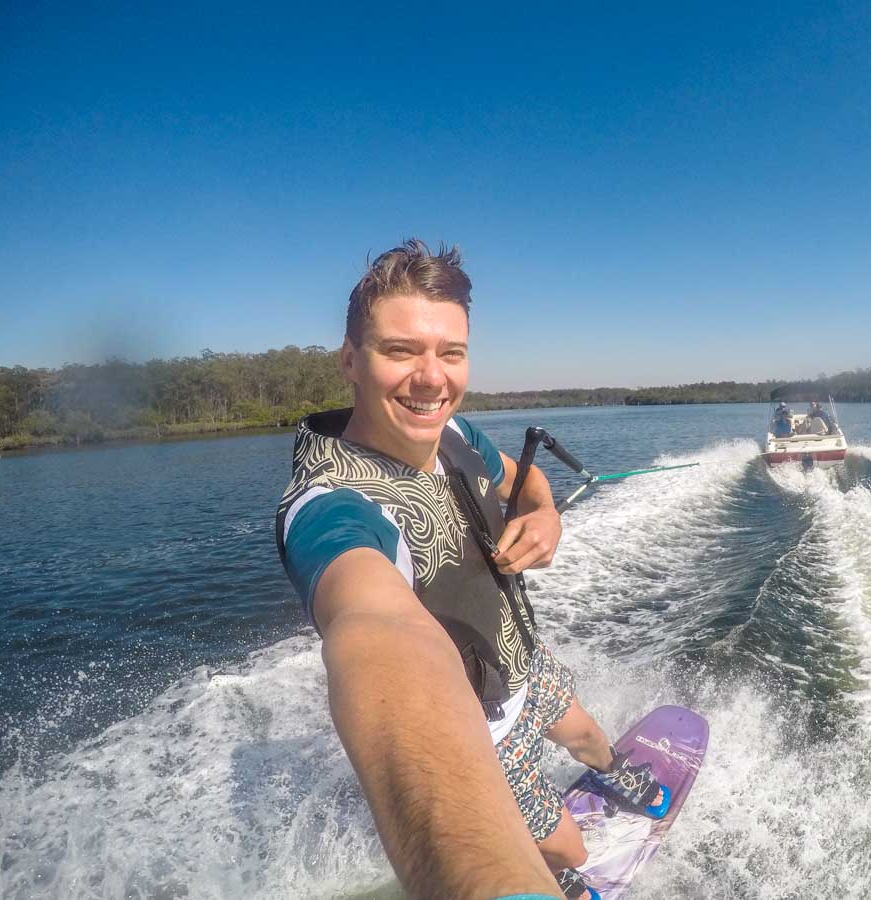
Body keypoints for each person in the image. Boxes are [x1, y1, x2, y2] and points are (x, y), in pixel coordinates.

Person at [274, 240, 666, 900]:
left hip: (521, 658)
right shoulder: (328, 506)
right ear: (350, 360)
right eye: (400, 351)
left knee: (589, 736)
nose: (432, 378)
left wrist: (546, 517)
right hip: (479, 731)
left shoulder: (456, 436)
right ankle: (561, 879)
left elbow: (527, 482)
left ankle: (611, 771)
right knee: (566, 844)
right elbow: (378, 633)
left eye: (449, 353)